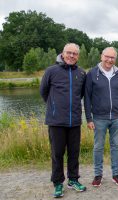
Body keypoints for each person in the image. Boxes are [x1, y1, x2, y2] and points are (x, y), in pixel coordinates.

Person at [40, 43, 87, 198]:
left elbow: (80, 95)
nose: (71, 56)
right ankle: (58, 183)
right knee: (57, 153)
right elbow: (44, 92)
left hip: (74, 121)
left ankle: (73, 179)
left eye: (74, 54)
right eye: (69, 53)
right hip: (56, 121)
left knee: (74, 153)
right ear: (63, 53)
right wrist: (55, 107)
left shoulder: (81, 73)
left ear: (78, 56)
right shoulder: (51, 71)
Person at [84, 47, 118, 187]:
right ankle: (98, 175)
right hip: (99, 118)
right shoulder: (92, 73)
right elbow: (87, 97)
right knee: (98, 147)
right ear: (101, 56)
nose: (109, 60)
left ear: (115, 59)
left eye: (112, 58)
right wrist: (88, 118)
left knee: (116, 146)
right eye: (107, 57)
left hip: (116, 116)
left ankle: (116, 174)